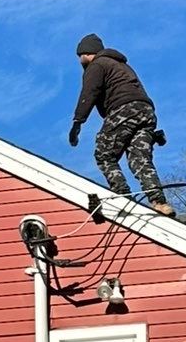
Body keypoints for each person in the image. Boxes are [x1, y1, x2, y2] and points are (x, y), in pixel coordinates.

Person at [67, 34, 174, 212]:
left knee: (104, 154)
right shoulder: (121, 65)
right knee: (140, 158)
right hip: (145, 112)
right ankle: (159, 202)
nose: (79, 60)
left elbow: (89, 93)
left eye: (80, 55)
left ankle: (122, 196)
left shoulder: (97, 65)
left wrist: (78, 122)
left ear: (87, 52)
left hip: (124, 109)